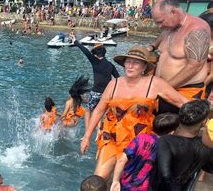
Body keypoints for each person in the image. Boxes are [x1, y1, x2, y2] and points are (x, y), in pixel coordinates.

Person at [80, 46, 189, 180]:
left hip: (139, 141)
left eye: (136, 62)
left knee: (124, 182)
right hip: (111, 137)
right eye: (128, 61)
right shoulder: (114, 84)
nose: (130, 66)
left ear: (144, 67)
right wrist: (86, 136)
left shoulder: (154, 83)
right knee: (98, 178)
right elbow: (98, 111)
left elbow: (182, 102)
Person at [109, 113, 180, 191]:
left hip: (126, 180)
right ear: (172, 132)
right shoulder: (168, 149)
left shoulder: (141, 138)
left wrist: (115, 181)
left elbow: (122, 160)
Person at [150, 0, 210, 113]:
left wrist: (163, 89)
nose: (159, 26)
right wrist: (149, 48)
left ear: (173, 12)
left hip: (185, 92)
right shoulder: (169, 29)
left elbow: (195, 65)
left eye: (160, 21)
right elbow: (157, 43)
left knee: (179, 130)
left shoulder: (197, 29)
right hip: (163, 92)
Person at [70, 33, 120, 119]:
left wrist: (75, 41)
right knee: (102, 113)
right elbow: (118, 79)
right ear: (104, 54)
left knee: (88, 110)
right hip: (106, 94)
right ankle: (100, 129)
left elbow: (85, 51)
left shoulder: (94, 61)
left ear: (96, 54)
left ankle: (89, 128)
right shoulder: (110, 65)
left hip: (96, 93)